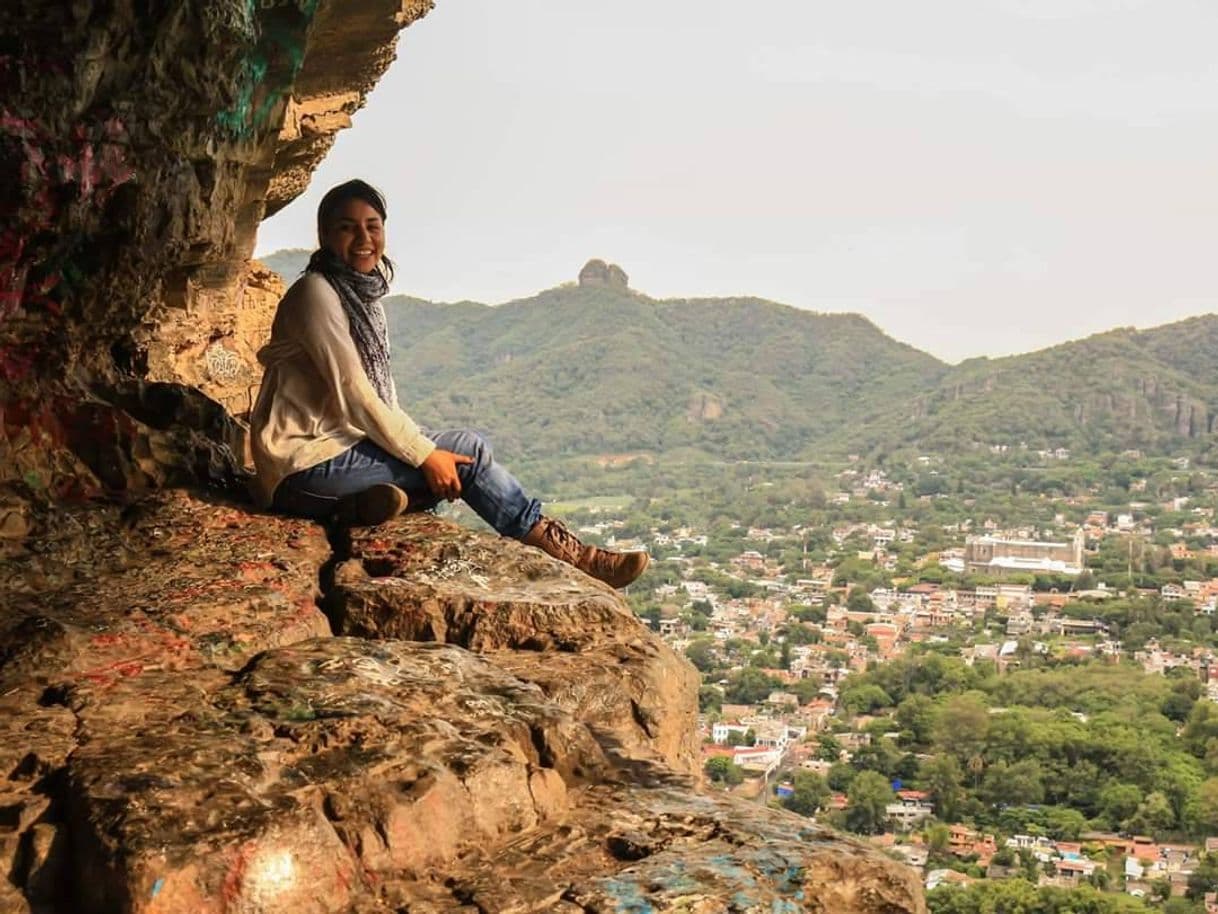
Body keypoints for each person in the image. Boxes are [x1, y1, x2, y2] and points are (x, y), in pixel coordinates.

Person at [248, 179, 648, 589]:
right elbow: (355, 394)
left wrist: (424, 448)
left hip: (338, 457)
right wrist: (424, 454)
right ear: (325, 235)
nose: (364, 238)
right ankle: (571, 555)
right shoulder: (316, 293)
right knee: (465, 453)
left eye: (373, 226)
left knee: (446, 457)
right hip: (303, 465)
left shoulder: (362, 300)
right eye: (348, 227)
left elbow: (381, 398)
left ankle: (362, 506)